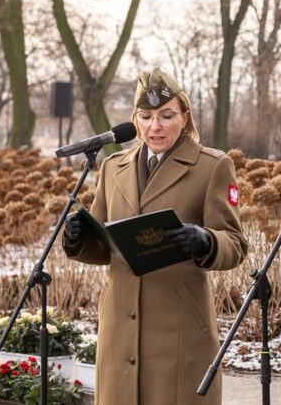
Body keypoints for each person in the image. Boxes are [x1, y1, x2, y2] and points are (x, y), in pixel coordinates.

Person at [62, 69, 248, 405]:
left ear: (184, 116)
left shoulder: (211, 167)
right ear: (135, 119)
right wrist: (78, 238)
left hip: (179, 327)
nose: (155, 126)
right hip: (119, 324)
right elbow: (104, 245)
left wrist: (206, 240)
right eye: (145, 117)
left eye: (166, 116)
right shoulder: (112, 167)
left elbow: (234, 243)